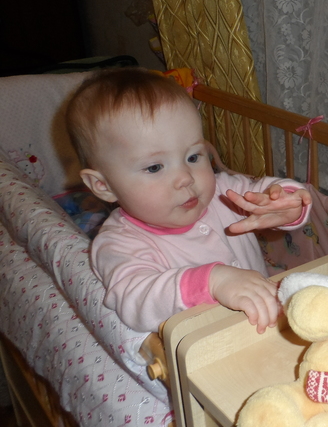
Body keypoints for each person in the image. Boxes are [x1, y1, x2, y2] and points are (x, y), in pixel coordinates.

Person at [65, 68, 312, 334]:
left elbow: (261, 190)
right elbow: (135, 300)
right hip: (207, 347)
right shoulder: (119, 243)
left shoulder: (222, 193)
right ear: (103, 186)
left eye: (193, 157)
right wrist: (211, 281)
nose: (186, 178)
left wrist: (284, 202)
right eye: (154, 167)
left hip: (264, 321)